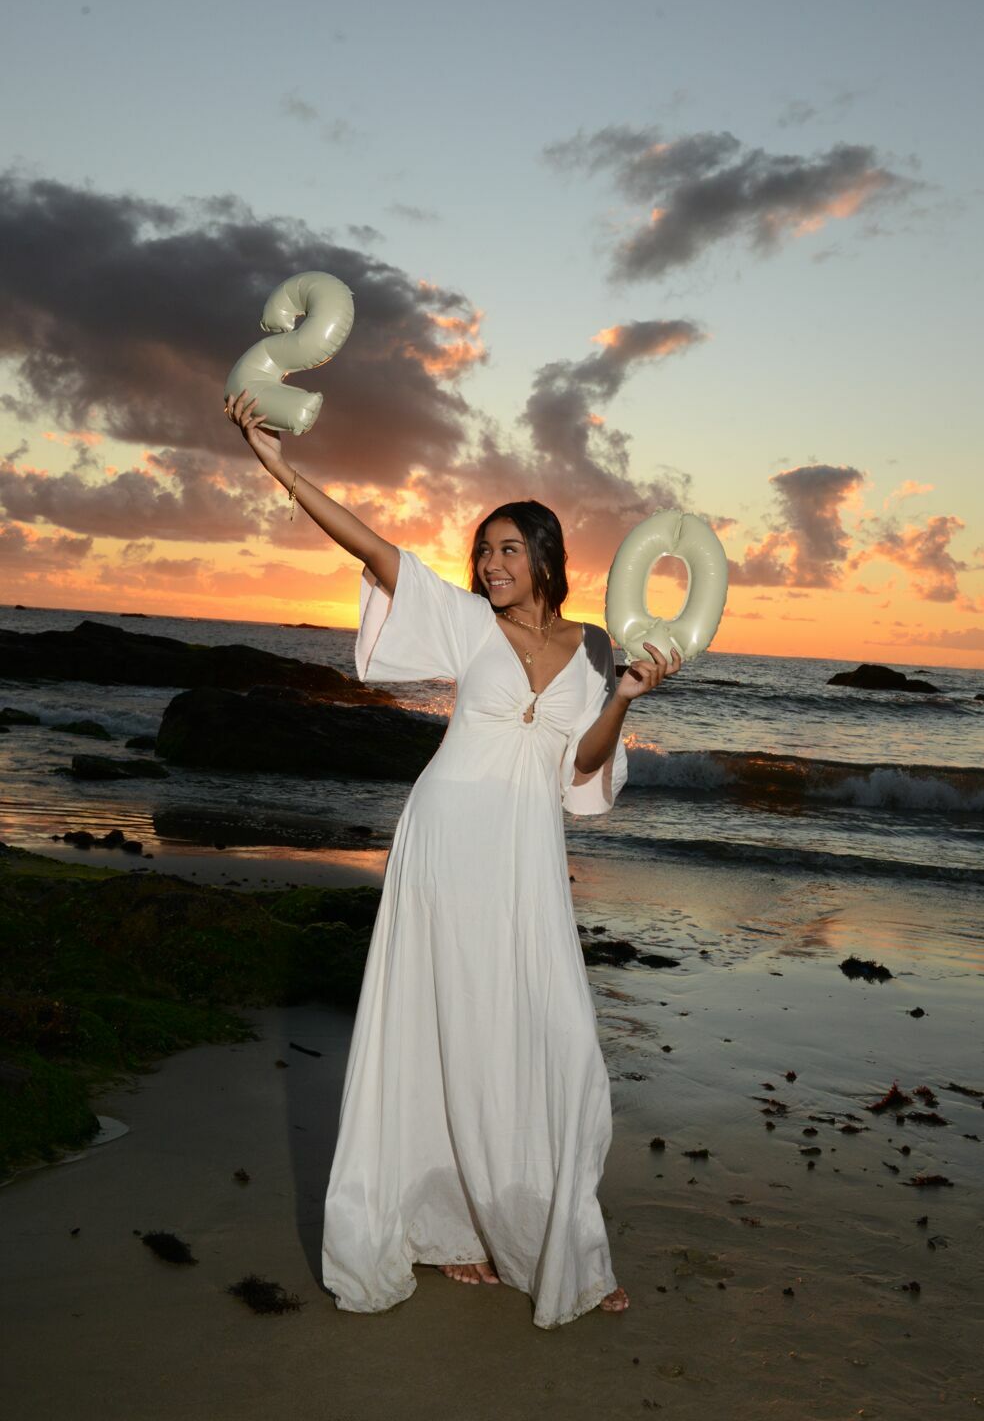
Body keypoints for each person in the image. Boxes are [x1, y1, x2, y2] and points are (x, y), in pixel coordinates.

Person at [225, 389, 681, 1327]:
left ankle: (549, 1238)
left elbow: (581, 773)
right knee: (440, 1030)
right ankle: (448, 1228)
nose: (489, 563)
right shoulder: (467, 625)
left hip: (522, 861)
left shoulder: (598, 650)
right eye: (484, 549)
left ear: (548, 558)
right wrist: (278, 466)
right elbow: (368, 544)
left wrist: (627, 695)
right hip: (443, 841)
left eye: (509, 548)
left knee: (556, 1042)